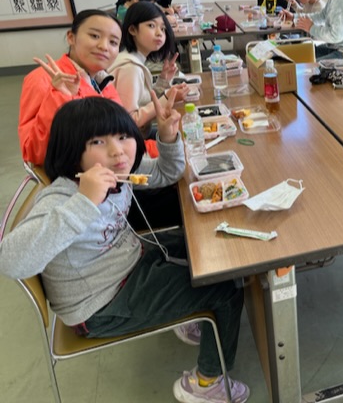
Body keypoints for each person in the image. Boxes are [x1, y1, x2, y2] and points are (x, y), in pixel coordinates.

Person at [0, 96, 250, 403]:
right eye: (97, 142)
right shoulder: (62, 198)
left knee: (206, 245)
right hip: (101, 306)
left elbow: (166, 174)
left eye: (122, 136)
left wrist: (167, 138)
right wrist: (84, 202)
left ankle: (189, 314)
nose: (117, 151)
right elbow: (10, 260)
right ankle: (206, 383)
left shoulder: (118, 170)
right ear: (71, 150)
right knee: (225, 286)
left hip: (129, 263)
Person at [19, 9, 123, 166]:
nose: (104, 46)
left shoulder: (103, 81)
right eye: (94, 36)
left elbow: (122, 134)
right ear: (71, 37)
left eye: (113, 42)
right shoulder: (42, 79)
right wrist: (61, 97)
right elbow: (34, 152)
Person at [109, 1, 189, 139]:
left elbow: (143, 101)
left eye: (163, 28)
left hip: (140, 134)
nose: (159, 33)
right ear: (132, 30)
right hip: (131, 142)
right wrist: (167, 98)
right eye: (151, 25)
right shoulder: (130, 68)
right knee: (185, 137)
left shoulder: (132, 59)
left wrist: (163, 80)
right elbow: (130, 121)